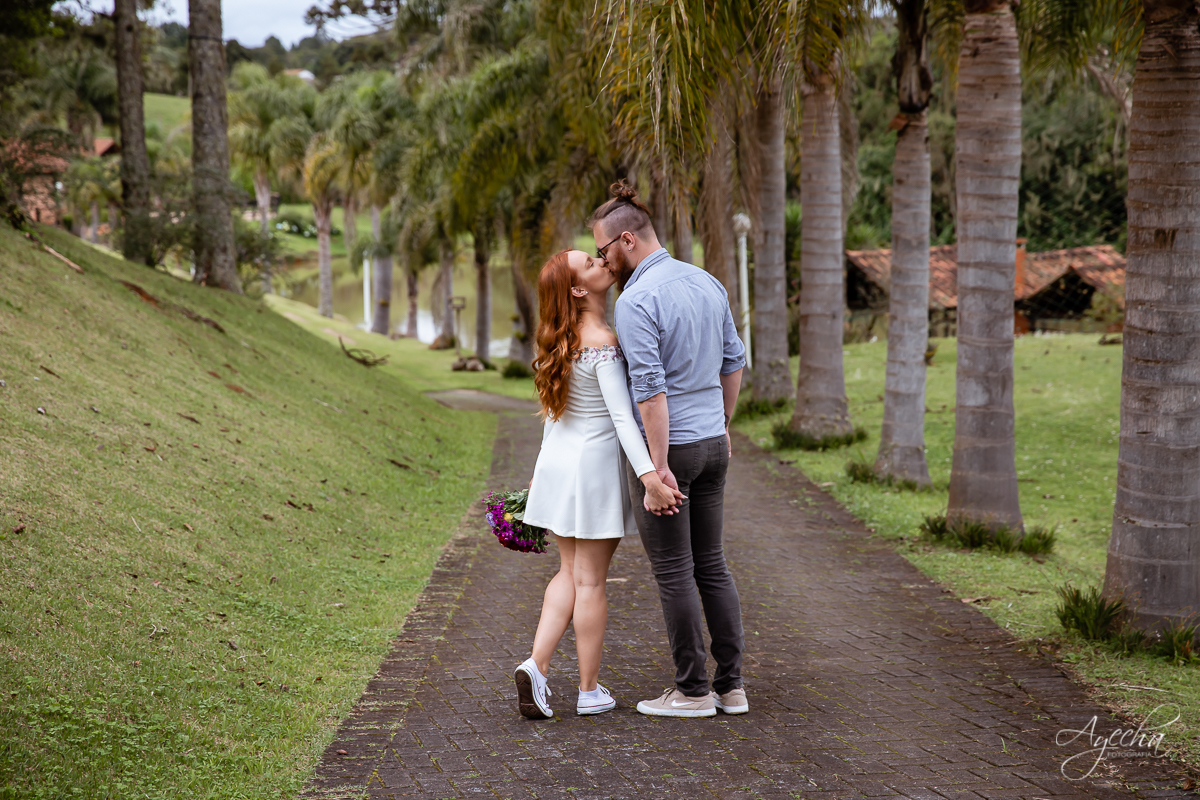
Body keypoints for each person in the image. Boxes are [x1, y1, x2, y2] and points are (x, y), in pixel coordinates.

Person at [588, 182, 749, 719]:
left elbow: (650, 392)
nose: (603, 262)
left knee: (676, 570)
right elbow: (733, 362)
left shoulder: (636, 300)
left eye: (604, 251)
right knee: (713, 564)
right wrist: (723, 424)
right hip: (712, 444)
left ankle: (692, 692)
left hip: (672, 451)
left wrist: (656, 467)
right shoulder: (706, 281)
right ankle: (731, 688)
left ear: (627, 239)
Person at [515, 249, 684, 720]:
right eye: (590, 262)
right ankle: (588, 691)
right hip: (590, 474)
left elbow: (553, 414)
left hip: (558, 467)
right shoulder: (601, 339)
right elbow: (623, 420)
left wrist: (537, 471)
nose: (601, 262)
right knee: (590, 582)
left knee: (568, 575)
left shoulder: (560, 339)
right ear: (577, 289)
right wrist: (651, 476)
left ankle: (537, 666)